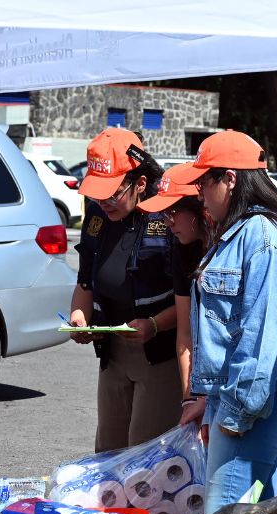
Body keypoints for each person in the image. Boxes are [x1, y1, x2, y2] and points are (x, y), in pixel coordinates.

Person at [173, 131, 277, 514]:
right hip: (247, 400)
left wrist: (234, 415)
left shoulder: (264, 237)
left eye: (205, 181)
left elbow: (263, 336)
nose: (199, 191)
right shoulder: (240, 233)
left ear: (231, 179)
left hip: (257, 403)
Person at [70, 128, 180, 452]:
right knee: (109, 450)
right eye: (97, 194)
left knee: (144, 456)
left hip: (159, 355)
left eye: (113, 194)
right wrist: (79, 316)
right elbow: (85, 282)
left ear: (140, 184)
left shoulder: (168, 216)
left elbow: (191, 300)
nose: (104, 203)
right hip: (113, 353)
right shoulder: (97, 218)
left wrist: (155, 325)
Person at [134, 163, 208, 402]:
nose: (167, 222)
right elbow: (185, 335)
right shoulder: (182, 250)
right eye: (162, 214)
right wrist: (189, 398)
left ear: (198, 207)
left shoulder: (232, 248)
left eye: (172, 213)